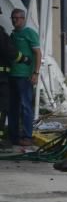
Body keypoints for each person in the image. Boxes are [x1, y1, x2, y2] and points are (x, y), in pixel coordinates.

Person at [8, 9, 41, 148]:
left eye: (17, 18)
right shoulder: (12, 35)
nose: (15, 20)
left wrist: (35, 73)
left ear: (23, 18)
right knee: (12, 107)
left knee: (26, 106)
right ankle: (14, 136)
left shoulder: (29, 33)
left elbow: (38, 54)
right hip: (11, 76)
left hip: (25, 77)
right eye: (13, 18)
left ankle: (27, 136)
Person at [0, 7, 13, 146]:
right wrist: (24, 59)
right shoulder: (1, 33)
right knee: (2, 107)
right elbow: (10, 52)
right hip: (1, 79)